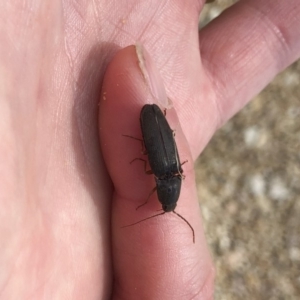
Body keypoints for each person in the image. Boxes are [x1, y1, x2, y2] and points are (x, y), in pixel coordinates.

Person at [1, 1, 299, 299]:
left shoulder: (174, 171)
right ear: (164, 187)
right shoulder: (159, 173)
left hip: (154, 127)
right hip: (151, 124)